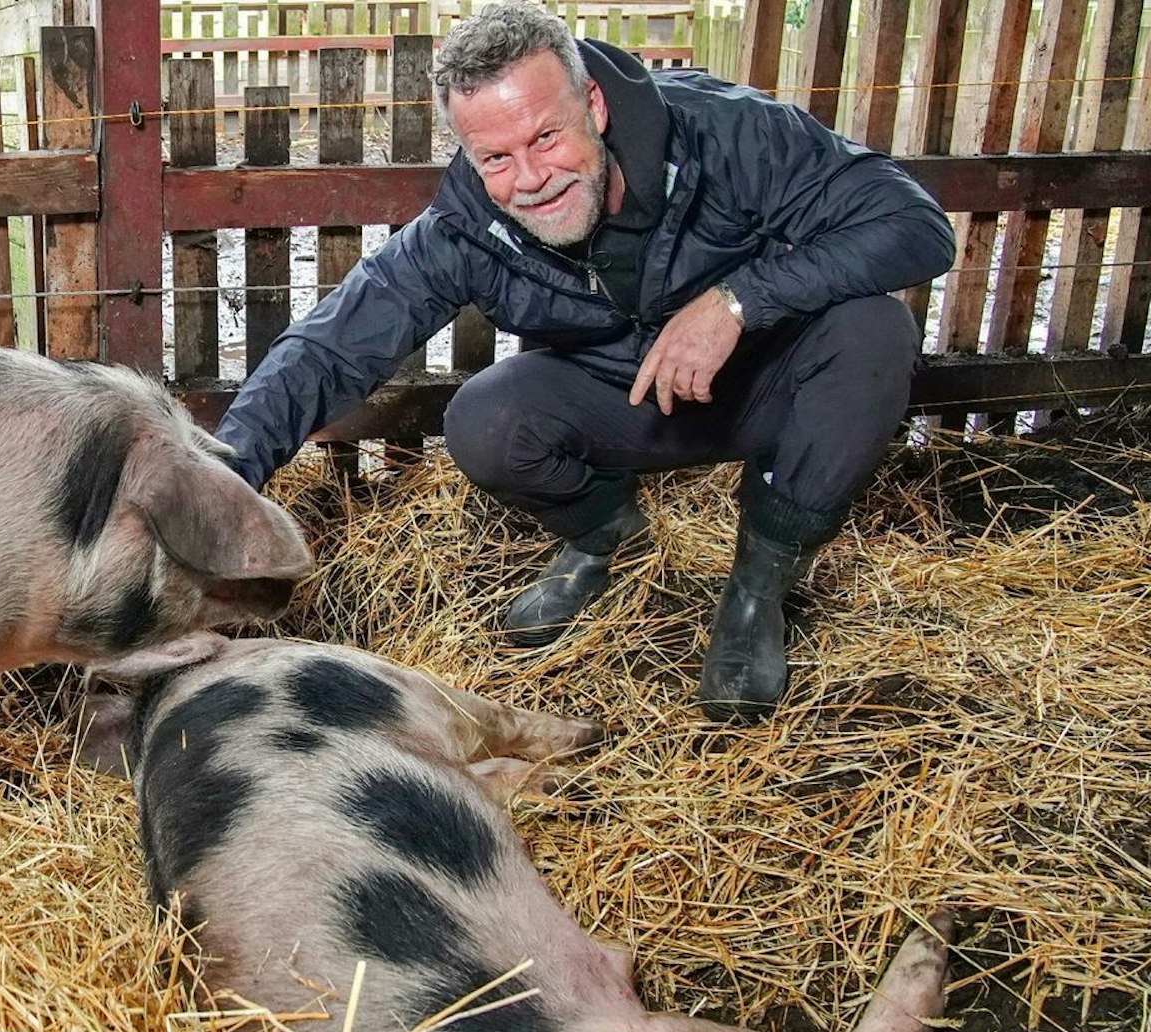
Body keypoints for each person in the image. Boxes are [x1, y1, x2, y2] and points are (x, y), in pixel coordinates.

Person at [212, 1, 957, 722]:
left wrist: (738, 300)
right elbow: (328, 347)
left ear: (594, 106)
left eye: (546, 137)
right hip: (631, 404)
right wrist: (220, 483)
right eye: (496, 158)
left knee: (873, 330)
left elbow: (915, 226)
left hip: (767, 389)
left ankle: (759, 589)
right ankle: (608, 543)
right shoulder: (466, 229)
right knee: (486, 420)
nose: (530, 178)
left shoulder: (724, 132)